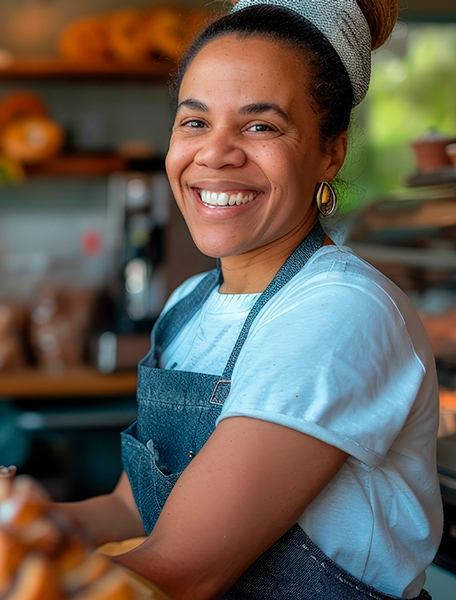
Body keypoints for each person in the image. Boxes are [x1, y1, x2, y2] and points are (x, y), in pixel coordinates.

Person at [52, 1, 443, 599]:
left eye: (261, 126)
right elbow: (130, 512)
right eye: (194, 122)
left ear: (330, 153)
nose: (215, 153)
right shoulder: (190, 303)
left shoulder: (339, 311)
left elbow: (181, 571)